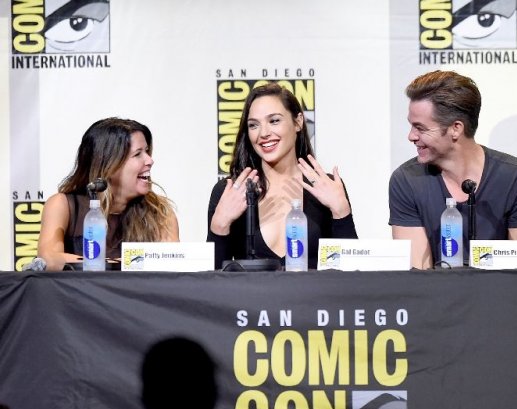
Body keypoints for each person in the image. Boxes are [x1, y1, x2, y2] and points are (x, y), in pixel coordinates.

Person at [389, 70, 517, 269]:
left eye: (421, 128)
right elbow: (418, 274)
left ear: (456, 128)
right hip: (436, 298)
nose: (411, 136)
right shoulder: (406, 180)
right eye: (412, 126)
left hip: (500, 297)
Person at [207, 83, 357, 269]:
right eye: (254, 125)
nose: (264, 133)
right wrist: (219, 225)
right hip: (251, 298)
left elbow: (349, 277)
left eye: (274, 121)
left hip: (312, 297)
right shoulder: (229, 191)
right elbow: (212, 280)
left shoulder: (326, 186)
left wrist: (341, 213)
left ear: (298, 122)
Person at [38, 118, 179, 271]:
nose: (150, 160)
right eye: (138, 154)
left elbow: (172, 263)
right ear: (109, 165)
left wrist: (107, 263)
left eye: (147, 152)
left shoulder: (160, 212)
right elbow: (48, 258)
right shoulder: (62, 205)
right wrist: (119, 263)